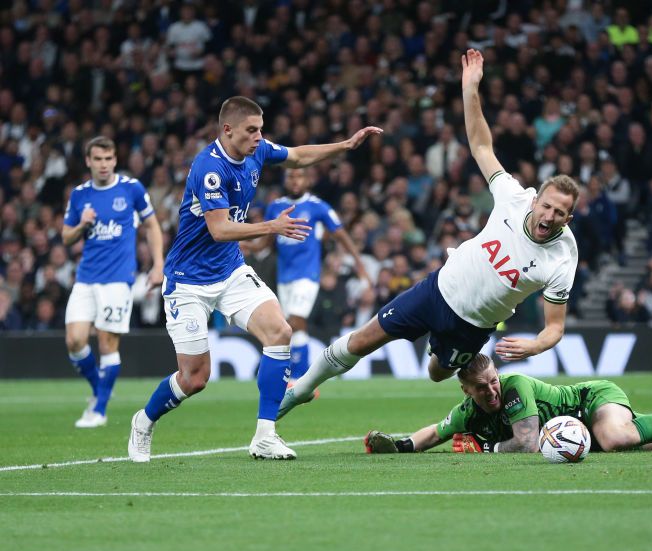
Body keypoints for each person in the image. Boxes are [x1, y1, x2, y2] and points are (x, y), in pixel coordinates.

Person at [278, 49, 580, 418]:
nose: (549, 216)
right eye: (546, 206)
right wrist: (470, 89)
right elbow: (481, 145)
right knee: (363, 340)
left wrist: (534, 347)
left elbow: (555, 328)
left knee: (437, 373)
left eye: (560, 213)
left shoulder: (562, 257)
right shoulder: (514, 197)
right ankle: (302, 390)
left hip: (472, 325)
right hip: (438, 289)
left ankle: (440, 352)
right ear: (536, 200)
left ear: (568, 218)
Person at [126, 96, 380, 462]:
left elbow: (298, 155)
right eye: (251, 130)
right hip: (188, 281)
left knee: (280, 331)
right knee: (195, 378)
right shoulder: (209, 168)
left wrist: (345, 145)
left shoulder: (257, 151)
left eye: (261, 129)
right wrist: (272, 226)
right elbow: (219, 229)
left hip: (229, 272)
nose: (259, 137)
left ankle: (265, 435)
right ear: (227, 130)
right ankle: (144, 420)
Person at [363, 354, 652, 454]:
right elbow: (434, 431)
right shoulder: (469, 410)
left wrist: (485, 451)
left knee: (616, 437)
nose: (491, 391)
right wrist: (397, 445)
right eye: (481, 389)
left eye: (491, 381)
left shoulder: (515, 385)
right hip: (581, 437)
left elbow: (528, 444)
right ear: (466, 392)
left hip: (595, 402)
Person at [62, 136, 163, 428]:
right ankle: (99, 389)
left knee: (107, 342)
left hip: (118, 279)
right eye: (98, 159)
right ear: (88, 161)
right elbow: (66, 237)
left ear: (115, 160)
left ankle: (99, 411)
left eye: (109, 159)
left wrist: (158, 264)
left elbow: (152, 226)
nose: (104, 164)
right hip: (86, 278)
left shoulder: (131, 189)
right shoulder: (80, 195)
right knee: (75, 341)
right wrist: (82, 223)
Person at [263, 167, 371, 379]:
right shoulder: (275, 207)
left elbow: (340, 234)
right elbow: (266, 242)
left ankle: (299, 377)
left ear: (307, 180)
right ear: (285, 180)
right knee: (289, 328)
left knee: (296, 320)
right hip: (284, 276)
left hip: (308, 274)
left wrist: (359, 263)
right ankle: (294, 376)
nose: (295, 180)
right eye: (291, 176)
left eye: (299, 176)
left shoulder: (317, 207)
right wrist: (243, 244)